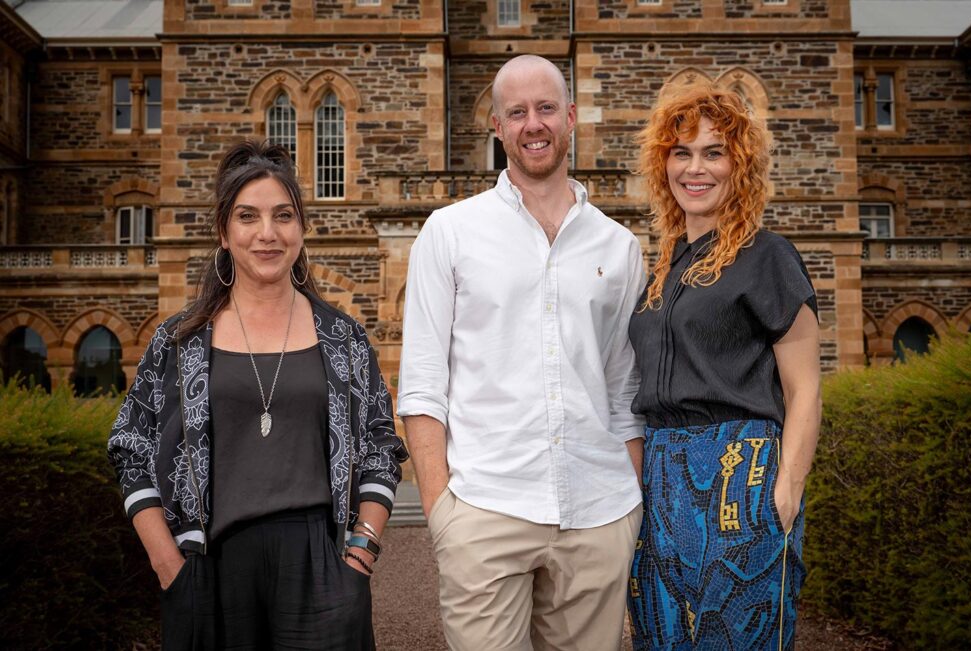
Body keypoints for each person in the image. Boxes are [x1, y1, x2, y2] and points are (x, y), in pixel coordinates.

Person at [107, 140, 407, 650]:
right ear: (224, 233)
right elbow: (129, 446)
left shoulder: (344, 338)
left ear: (302, 229)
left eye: (283, 216)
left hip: (322, 563)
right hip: (208, 566)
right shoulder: (180, 341)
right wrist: (167, 565)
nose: (267, 234)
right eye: (248, 216)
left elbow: (380, 445)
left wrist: (361, 551)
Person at [398, 54, 645, 650]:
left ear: (572, 117)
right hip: (485, 509)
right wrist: (442, 514)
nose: (534, 124)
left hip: (599, 511)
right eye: (517, 112)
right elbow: (423, 383)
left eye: (546, 108)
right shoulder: (450, 231)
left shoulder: (620, 246)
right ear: (497, 125)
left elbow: (624, 390)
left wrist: (629, 503)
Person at [626, 86, 821, 650]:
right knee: (661, 638)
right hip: (662, 477)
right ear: (663, 164)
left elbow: (805, 388)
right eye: (681, 152)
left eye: (714, 152)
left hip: (743, 471)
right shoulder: (663, 268)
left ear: (741, 165)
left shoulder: (768, 256)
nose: (696, 168)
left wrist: (787, 491)